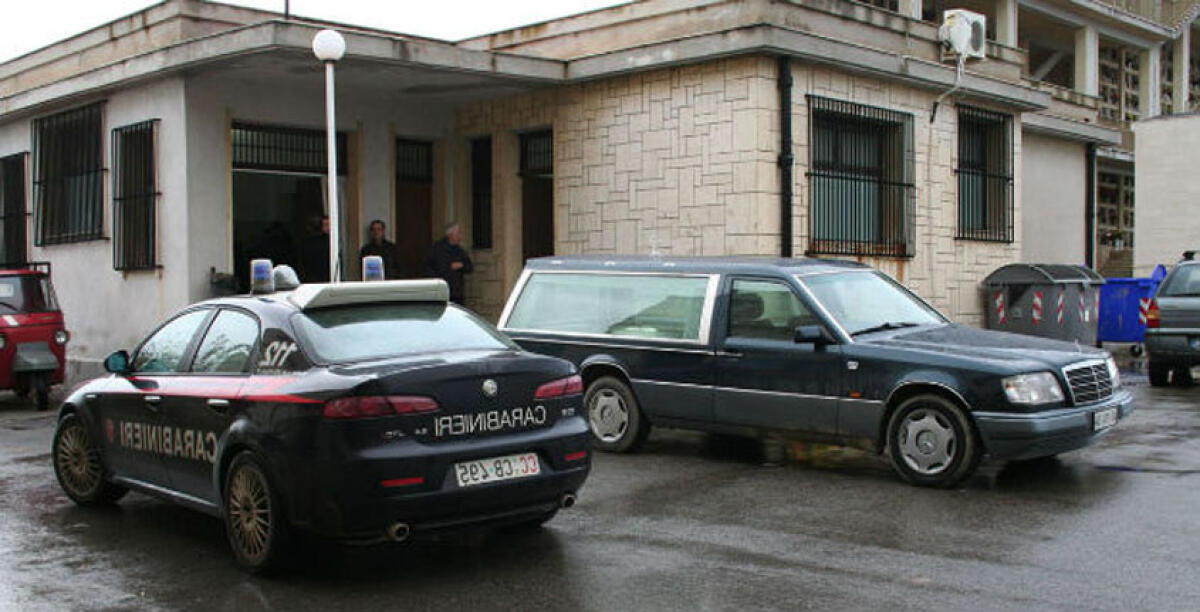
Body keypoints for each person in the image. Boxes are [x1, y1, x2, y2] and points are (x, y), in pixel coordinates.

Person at [424, 222, 473, 305]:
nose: (460, 237)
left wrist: (461, 265)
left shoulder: (460, 251)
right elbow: (428, 267)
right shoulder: (437, 249)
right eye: (458, 234)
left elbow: (470, 267)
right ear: (450, 235)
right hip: (441, 291)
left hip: (456, 293)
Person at [299, 215, 330, 283]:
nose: (328, 228)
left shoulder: (305, 244)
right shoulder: (329, 242)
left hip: (311, 281)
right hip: (325, 279)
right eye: (326, 225)